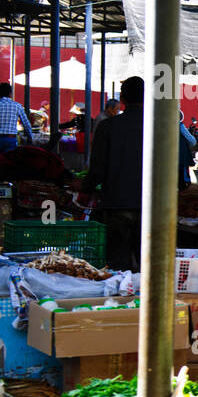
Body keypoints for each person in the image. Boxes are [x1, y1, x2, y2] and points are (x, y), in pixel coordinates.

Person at [84, 76, 145, 270]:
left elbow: (97, 169)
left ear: (122, 100)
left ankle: (120, 299)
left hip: (117, 203)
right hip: (153, 206)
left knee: (118, 262)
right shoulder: (163, 126)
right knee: (150, 263)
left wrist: (86, 186)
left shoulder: (108, 127)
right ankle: (149, 299)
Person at [0, 83, 34, 153]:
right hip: (10, 139)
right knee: (9, 161)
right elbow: (26, 123)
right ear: (10, 94)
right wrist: (30, 137)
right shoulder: (17, 106)